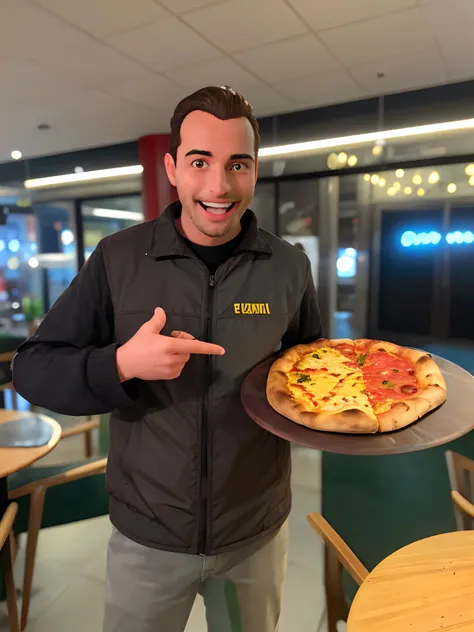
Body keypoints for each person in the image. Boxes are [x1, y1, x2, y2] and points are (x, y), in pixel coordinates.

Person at [12, 86, 322, 632]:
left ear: (255, 170)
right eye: (199, 162)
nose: (219, 186)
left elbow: (310, 375)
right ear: (172, 167)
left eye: (237, 165)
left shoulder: (289, 268)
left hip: (255, 532)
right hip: (147, 538)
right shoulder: (118, 259)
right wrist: (121, 365)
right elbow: (33, 368)